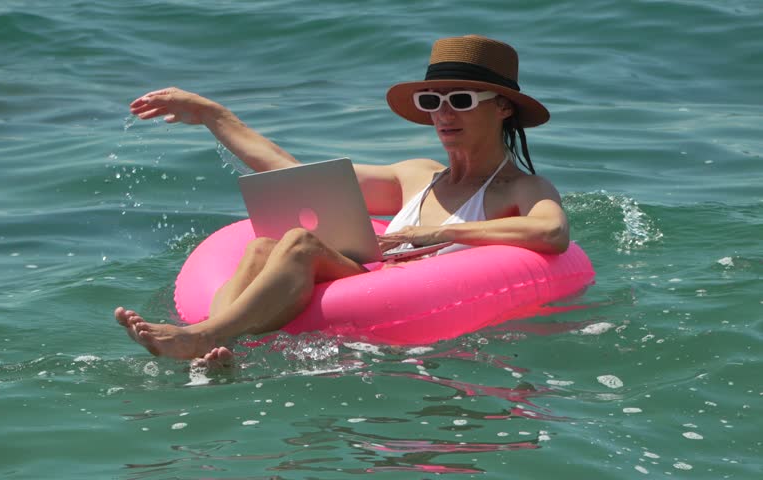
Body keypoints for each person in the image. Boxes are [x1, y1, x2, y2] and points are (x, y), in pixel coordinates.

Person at [116, 35, 569, 364]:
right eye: (433, 100)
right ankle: (215, 348)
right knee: (261, 246)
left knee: (299, 243)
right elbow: (297, 176)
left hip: (421, 318)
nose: (444, 114)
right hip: (372, 282)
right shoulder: (416, 176)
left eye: (462, 100)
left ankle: (202, 336)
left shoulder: (520, 188)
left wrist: (440, 230)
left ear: (503, 107)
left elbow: (552, 232)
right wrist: (217, 117)